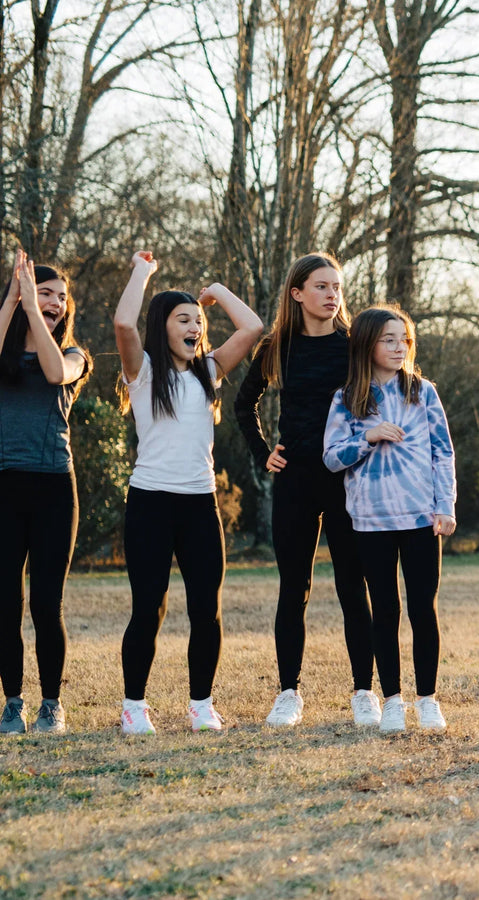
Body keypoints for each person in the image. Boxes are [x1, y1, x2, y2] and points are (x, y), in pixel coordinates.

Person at [114, 252, 264, 734]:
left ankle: (202, 703)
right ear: (163, 325)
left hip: (200, 507)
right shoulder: (143, 372)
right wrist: (143, 272)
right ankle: (134, 705)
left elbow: (252, 328)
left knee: (206, 608)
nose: (195, 326)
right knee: (148, 606)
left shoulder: (208, 373)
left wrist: (216, 293)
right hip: (151, 504)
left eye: (198, 321)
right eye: (184, 319)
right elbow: (123, 322)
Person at [234, 253, 376, 728]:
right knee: (293, 588)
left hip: (347, 480)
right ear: (297, 293)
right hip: (295, 482)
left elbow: (389, 393)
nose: (332, 294)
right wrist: (262, 453)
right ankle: (288, 693)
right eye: (321, 286)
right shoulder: (279, 345)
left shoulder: (356, 345)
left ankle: (363, 692)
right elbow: (243, 403)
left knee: (353, 588)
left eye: (336, 286)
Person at [323, 305, 456, 734]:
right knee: (385, 610)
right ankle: (393, 700)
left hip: (420, 518)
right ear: (366, 344)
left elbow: (443, 453)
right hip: (371, 521)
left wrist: (445, 506)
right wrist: (368, 435)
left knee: (423, 609)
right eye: (388, 340)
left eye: (404, 340)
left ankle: (428, 700)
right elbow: (330, 458)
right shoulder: (346, 399)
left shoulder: (423, 392)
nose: (399, 347)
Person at [0, 252, 92, 734]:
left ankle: (51, 704)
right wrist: (15, 299)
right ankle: (12, 701)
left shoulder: (75, 355)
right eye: (45, 292)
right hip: (4, 486)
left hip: (55, 487)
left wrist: (32, 308)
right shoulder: (5, 357)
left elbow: (56, 374)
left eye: (60, 297)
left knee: (45, 603)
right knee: (5, 602)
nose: (54, 302)